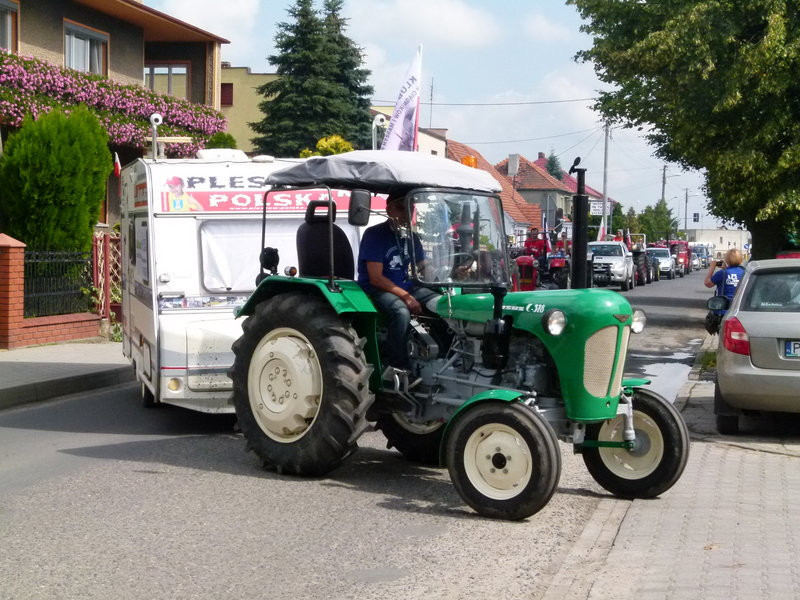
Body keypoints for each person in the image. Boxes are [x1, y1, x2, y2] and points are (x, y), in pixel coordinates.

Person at [357, 193, 438, 369]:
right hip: (375, 288)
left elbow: (423, 266)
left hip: (404, 286)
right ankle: (399, 366)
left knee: (441, 304)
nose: (408, 213)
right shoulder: (375, 235)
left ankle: (440, 359)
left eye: (411, 207)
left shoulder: (411, 237)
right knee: (401, 312)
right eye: (402, 208)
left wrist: (445, 275)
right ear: (388, 209)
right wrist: (406, 297)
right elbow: (376, 277)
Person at [704, 248, 745, 331]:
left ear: (727, 259)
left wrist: (712, 267)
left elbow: (708, 283)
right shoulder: (745, 272)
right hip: (741, 310)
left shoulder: (723, 273)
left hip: (724, 311)